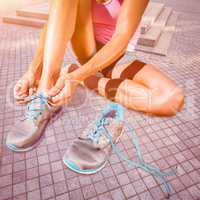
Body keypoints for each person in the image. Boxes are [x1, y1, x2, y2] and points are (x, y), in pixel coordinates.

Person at [7, 0, 184, 152]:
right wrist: (32, 70)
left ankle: (74, 76)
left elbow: (121, 40)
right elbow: (53, 23)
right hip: (88, 52)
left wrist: (76, 77)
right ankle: (45, 94)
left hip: (118, 58)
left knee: (170, 100)